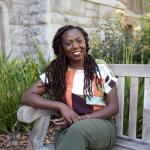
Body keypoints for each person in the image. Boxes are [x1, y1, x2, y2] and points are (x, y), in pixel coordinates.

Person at [21, 25, 119, 150]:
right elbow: (27, 96)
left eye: (79, 41)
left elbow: (113, 107)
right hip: (70, 130)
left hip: (102, 127)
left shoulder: (100, 68)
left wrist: (81, 119)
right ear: (61, 47)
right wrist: (60, 106)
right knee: (70, 136)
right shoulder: (57, 71)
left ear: (85, 42)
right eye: (68, 43)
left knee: (77, 132)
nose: (76, 46)